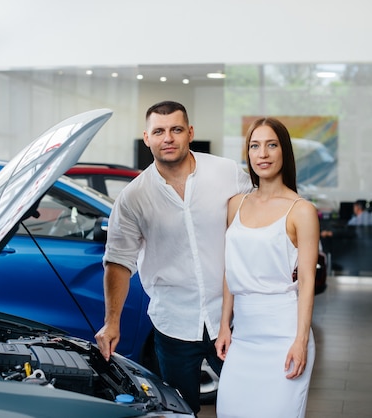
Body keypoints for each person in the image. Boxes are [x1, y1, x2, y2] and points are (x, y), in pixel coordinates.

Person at [94, 100, 253, 415]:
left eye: (176, 129)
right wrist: (112, 322)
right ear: (147, 137)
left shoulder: (228, 173)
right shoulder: (133, 198)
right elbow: (118, 262)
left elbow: (253, 230)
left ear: (190, 132)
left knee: (248, 405)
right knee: (180, 411)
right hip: (174, 325)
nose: (168, 137)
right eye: (159, 131)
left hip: (232, 318)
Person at [215, 117, 319, 417]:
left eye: (271, 145)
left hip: (285, 335)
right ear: (247, 154)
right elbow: (230, 268)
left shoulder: (301, 210)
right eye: (255, 146)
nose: (263, 154)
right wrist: (225, 324)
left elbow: (308, 282)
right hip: (244, 336)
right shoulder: (236, 204)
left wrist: (300, 342)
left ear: (283, 151)